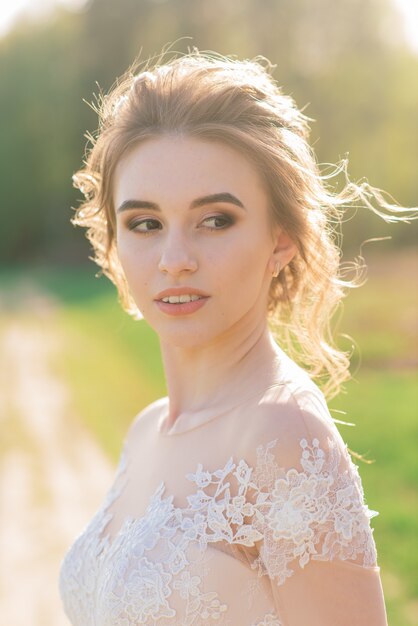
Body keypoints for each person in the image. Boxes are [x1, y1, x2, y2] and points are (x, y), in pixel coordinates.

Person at [58, 46, 413, 625]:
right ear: (115, 243)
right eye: (145, 224)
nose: (175, 259)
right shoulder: (147, 429)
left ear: (280, 238)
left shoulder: (284, 437)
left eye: (215, 220)